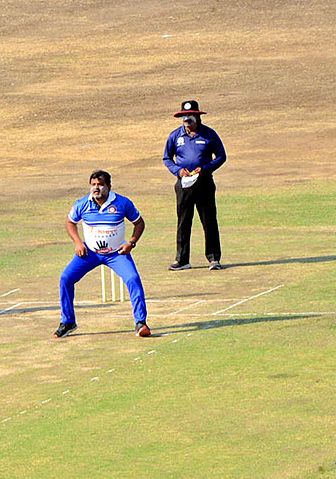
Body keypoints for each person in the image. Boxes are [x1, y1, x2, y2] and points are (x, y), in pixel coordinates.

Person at [55, 170, 150, 339]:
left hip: (116, 254)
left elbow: (139, 223)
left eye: (100, 185)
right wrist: (77, 242)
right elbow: (70, 222)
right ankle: (68, 322)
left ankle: (141, 322)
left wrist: (131, 243)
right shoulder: (82, 204)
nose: (96, 188)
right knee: (66, 278)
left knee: (133, 279)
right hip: (90, 252)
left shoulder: (122, 203)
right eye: (93, 185)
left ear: (109, 187)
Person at [162, 99, 227, 271]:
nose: (187, 120)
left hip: (204, 183)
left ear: (197, 117)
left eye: (190, 117)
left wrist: (204, 169)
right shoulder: (175, 136)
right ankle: (182, 260)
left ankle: (214, 258)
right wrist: (178, 171)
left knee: (209, 221)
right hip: (184, 184)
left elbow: (221, 156)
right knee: (183, 221)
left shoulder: (209, 134)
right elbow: (167, 158)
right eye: (184, 117)